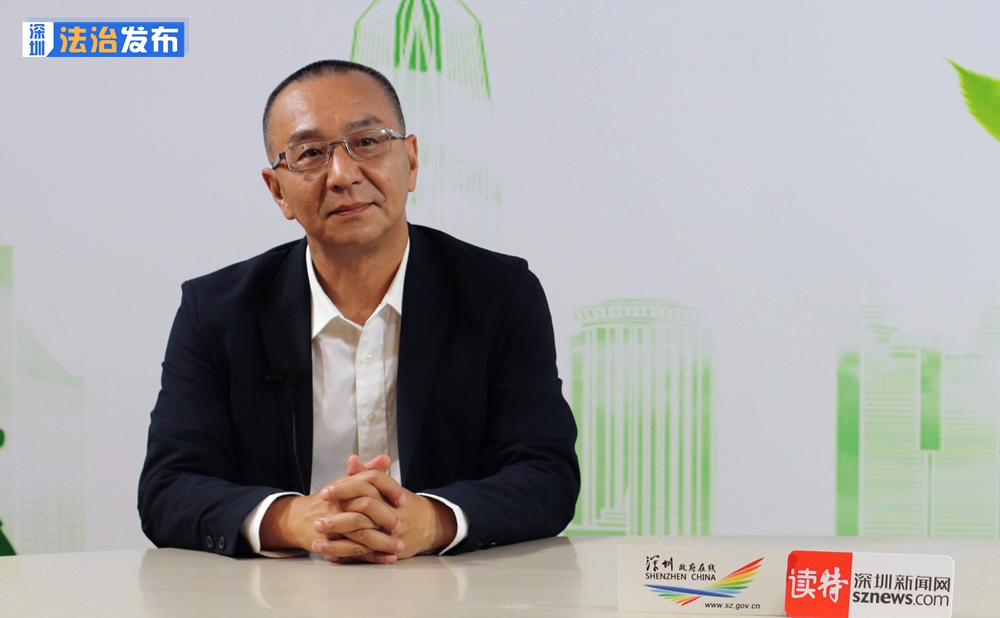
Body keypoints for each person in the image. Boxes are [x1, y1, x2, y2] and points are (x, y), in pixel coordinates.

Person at [137, 60, 579, 563]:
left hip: (453, 589)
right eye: (310, 154)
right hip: (274, 593)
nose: (343, 175)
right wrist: (296, 519)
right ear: (278, 190)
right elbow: (168, 488)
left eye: (367, 142)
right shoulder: (216, 312)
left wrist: (430, 520)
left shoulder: (501, 294)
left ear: (411, 161)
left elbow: (546, 474)